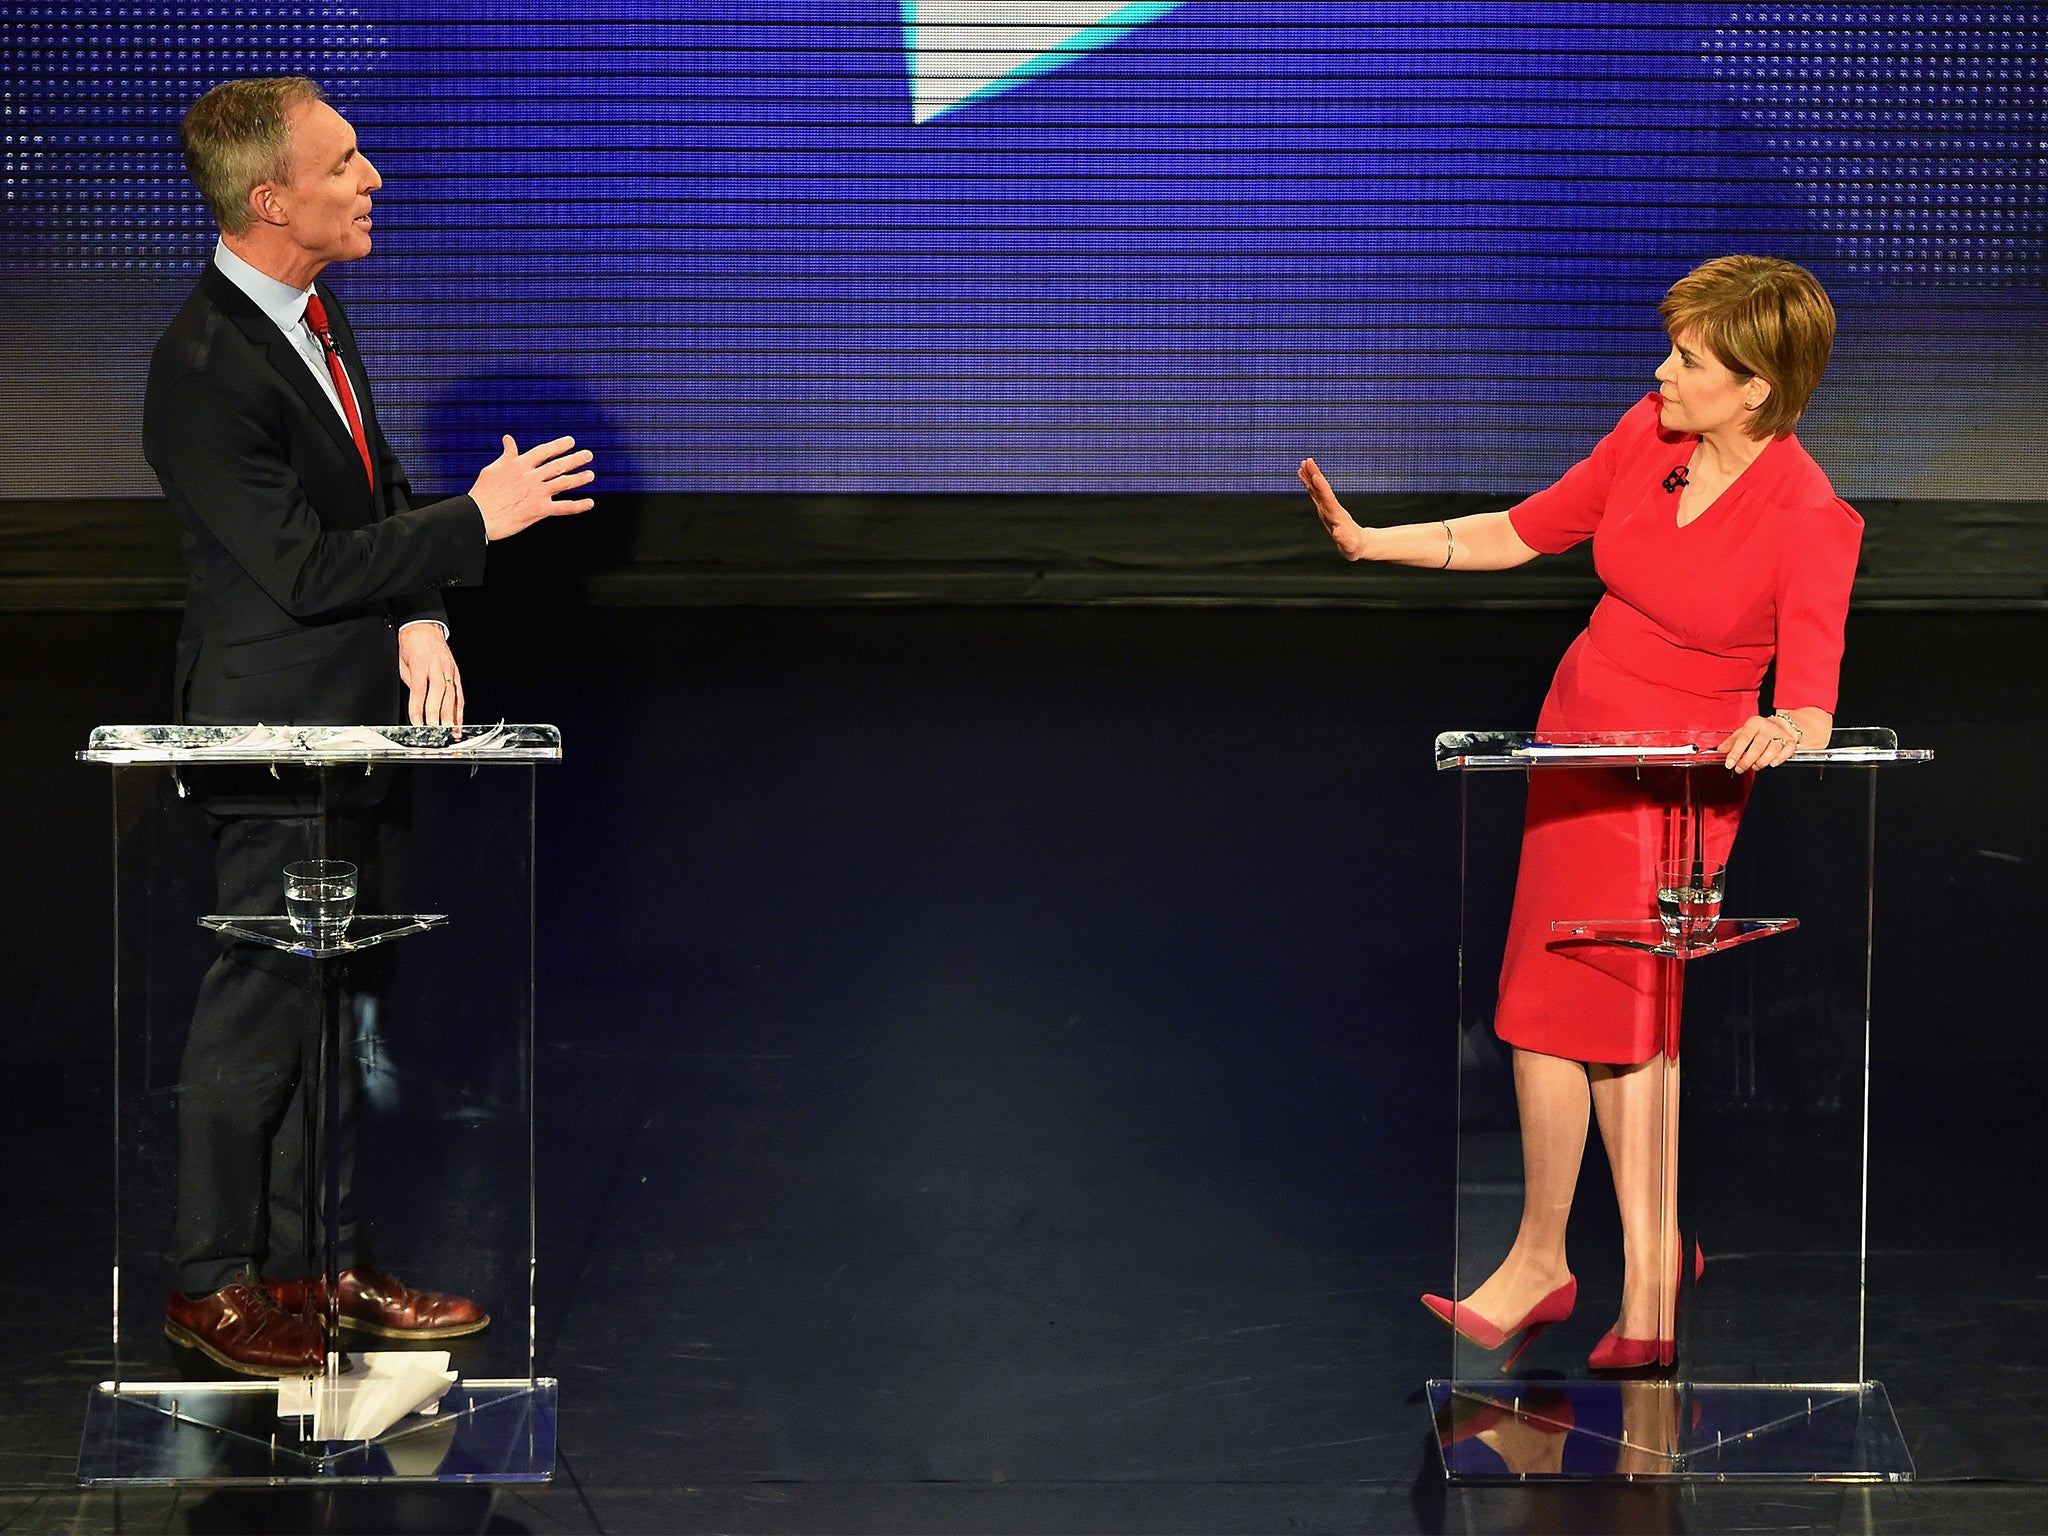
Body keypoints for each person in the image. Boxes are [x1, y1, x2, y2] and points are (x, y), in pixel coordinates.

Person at [1298, 255, 1860, 1372]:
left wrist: (1782, 733)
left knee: (1617, 1020)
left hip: (1671, 785)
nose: (1659, 371)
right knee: (1538, 1001)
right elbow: (1518, 530)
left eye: (1686, 360)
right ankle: (1543, 1259)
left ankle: (1642, 1269)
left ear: (1753, 385)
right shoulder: (1647, 438)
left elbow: (1806, 704)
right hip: (1568, 745)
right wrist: (1374, 543)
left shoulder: (1810, 518)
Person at [143, 76, 596, 1376]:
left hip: (358, 730)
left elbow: (371, 486)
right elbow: (294, 567)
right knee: (265, 1010)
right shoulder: (203, 371)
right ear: (272, 198)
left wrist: (424, 619)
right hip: (274, 741)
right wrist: (480, 521)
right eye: (345, 163)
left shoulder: (315, 313)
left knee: (339, 1010)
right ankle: (213, 1284)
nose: (374, 178)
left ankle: (317, 1269)